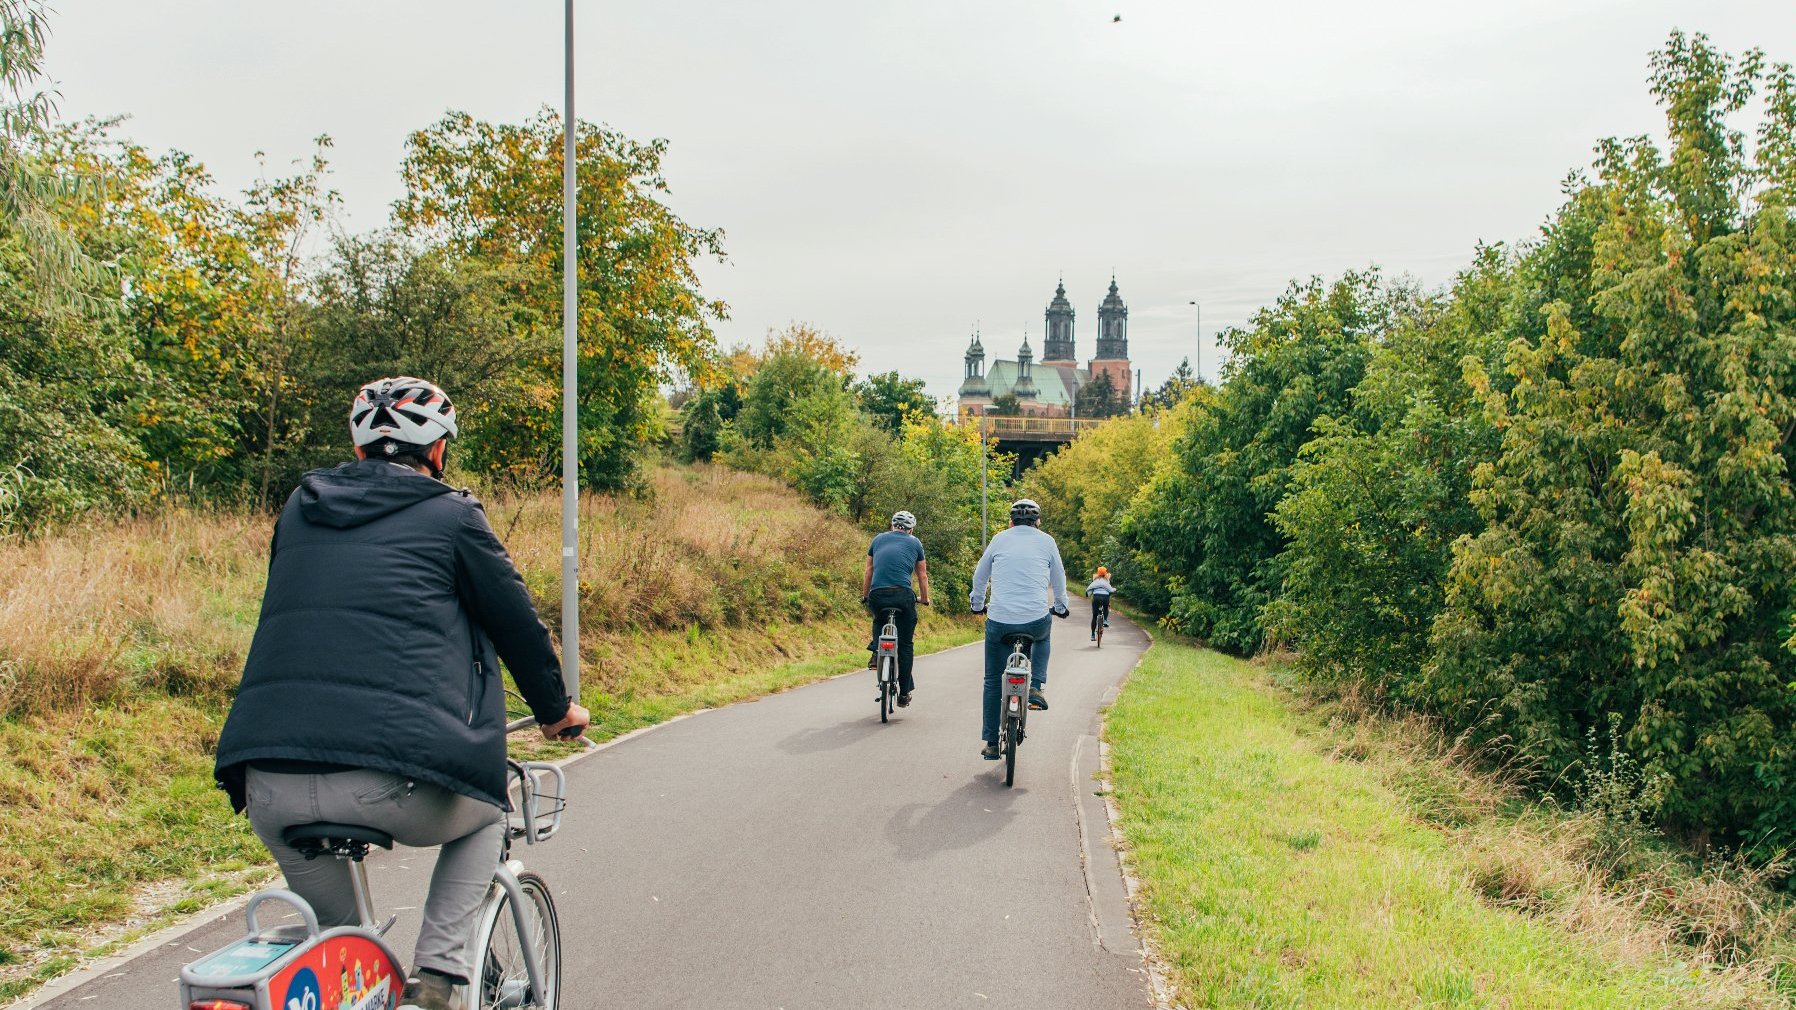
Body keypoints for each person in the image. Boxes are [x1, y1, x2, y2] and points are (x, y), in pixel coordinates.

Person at [213, 376, 591, 1010]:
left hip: (267, 779)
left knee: (342, 962)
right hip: (390, 778)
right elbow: (515, 624)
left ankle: (355, 982)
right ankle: (440, 979)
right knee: (487, 811)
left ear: (360, 449)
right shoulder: (452, 515)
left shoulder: (298, 509)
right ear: (437, 451)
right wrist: (556, 711)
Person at [968, 498, 1070, 760]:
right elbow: (1059, 578)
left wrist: (977, 604)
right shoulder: (1047, 541)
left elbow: (980, 575)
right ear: (1038, 523)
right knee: (1043, 634)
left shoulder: (1000, 539)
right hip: (1035, 619)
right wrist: (1060, 606)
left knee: (992, 681)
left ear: (1011, 522)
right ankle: (1036, 686)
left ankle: (991, 743)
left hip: (1000, 621)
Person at [864, 509, 931, 706]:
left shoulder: (877, 540)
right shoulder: (915, 542)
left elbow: (869, 570)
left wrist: (866, 595)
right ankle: (904, 693)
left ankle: (877, 651)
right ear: (911, 530)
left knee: (878, 618)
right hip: (903, 595)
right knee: (905, 645)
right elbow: (922, 575)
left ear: (892, 525)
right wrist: (924, 598)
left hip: (878, 594)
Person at [1087, 566, 1115, 640]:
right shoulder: (1107, 581)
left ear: (1098, 573)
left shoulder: (1095, 580)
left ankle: (1093, 635)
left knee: (1094, 616)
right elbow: (1110, 591)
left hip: (1096, 597)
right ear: (1105, 573)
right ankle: (1105, 620)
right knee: (1106, 607)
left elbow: (1091, 589)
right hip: (1105, 597)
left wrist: (1088, 594)